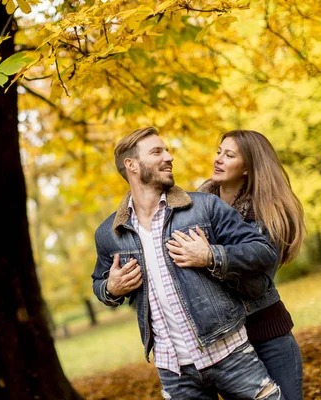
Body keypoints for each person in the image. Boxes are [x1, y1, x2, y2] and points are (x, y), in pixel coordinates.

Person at [92, 127, 282, 400]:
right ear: (131, 165)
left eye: (167, 150)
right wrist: (110, 288)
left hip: (230, 354)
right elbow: (99, 284)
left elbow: (263, 252)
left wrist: (211, 256)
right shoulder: (109, 233)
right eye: (157, 152)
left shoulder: (205, 207)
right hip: (174, 372)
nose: (169, 157)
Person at [167, 130, 305, 400]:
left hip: (268, 337)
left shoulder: (269, 213)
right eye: (219, 151)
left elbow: (257, 284)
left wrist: (209, 257)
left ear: (248, 168)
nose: (218, 159)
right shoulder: (197, 208)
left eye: (229, 155)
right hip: (225, 348)